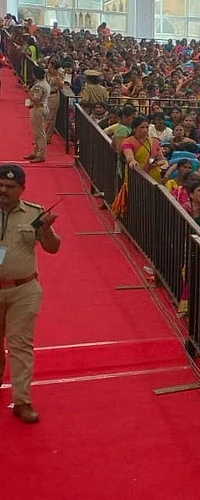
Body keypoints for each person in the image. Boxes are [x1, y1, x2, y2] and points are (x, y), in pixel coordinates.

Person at [0, 164, 61, 423]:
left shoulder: (35, 214)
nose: (3, 190)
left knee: (20, 345)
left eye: (9, 187)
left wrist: (46, 228)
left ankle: (22, 400)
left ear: (22, 189)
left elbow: (53, 248)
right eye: (0, 185)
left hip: (24, 290)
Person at [25, 66, 50, 163]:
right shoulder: (43, 84)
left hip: (38, 109)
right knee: (36, 133)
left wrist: (27, 91)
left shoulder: (39, 86)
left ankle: (41, 155)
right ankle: (35, 152)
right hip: (40, 108)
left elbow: (36, 99)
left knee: (39, 133)